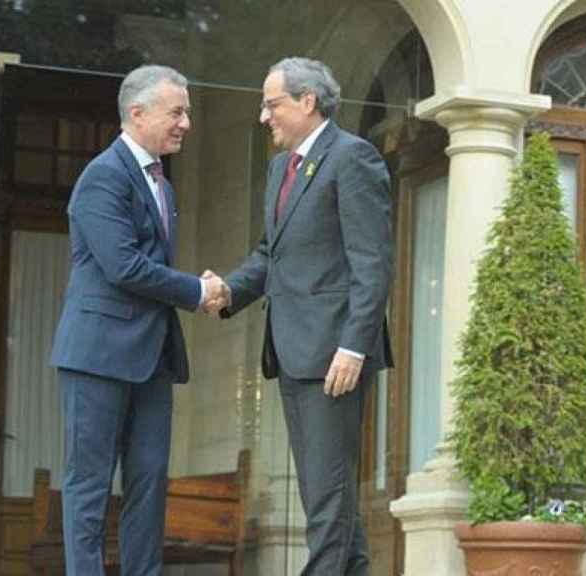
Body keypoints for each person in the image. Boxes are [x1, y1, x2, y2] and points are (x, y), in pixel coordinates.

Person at [211, 56, 393, 576]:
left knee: (326, 499)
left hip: (334, 355)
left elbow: (372, 263)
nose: (265, 116)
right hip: (292, 352)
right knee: (325, 494)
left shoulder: (352, 158)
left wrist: (354, 346)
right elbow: (271, 254)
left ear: (307, 102)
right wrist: (227, 289)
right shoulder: (280, 170)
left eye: (272, 105)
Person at [50, 64, 228, 575]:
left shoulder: (164, 187)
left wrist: (199, 289)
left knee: (149, 484)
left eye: (187, 112)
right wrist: (198, 290)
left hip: (151, 357)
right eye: (177, 112)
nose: (186, 123)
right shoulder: (101, 176)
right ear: (137, 113)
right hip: (97, 356)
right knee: (89, 483)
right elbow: (123, 266)